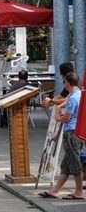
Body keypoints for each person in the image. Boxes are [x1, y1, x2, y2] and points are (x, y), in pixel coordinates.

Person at [38, 72, 83, 200]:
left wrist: (58, 118)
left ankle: (79, 192)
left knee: (74, 163)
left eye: (64, 82)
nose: (64, 84)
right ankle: (55, 190)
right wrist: (58, 106)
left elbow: (67, 118)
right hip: (76, 132)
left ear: (67, 83)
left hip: (71, 133)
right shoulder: (77, 93)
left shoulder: (74, 98)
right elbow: (66, 100)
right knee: (66, 164)